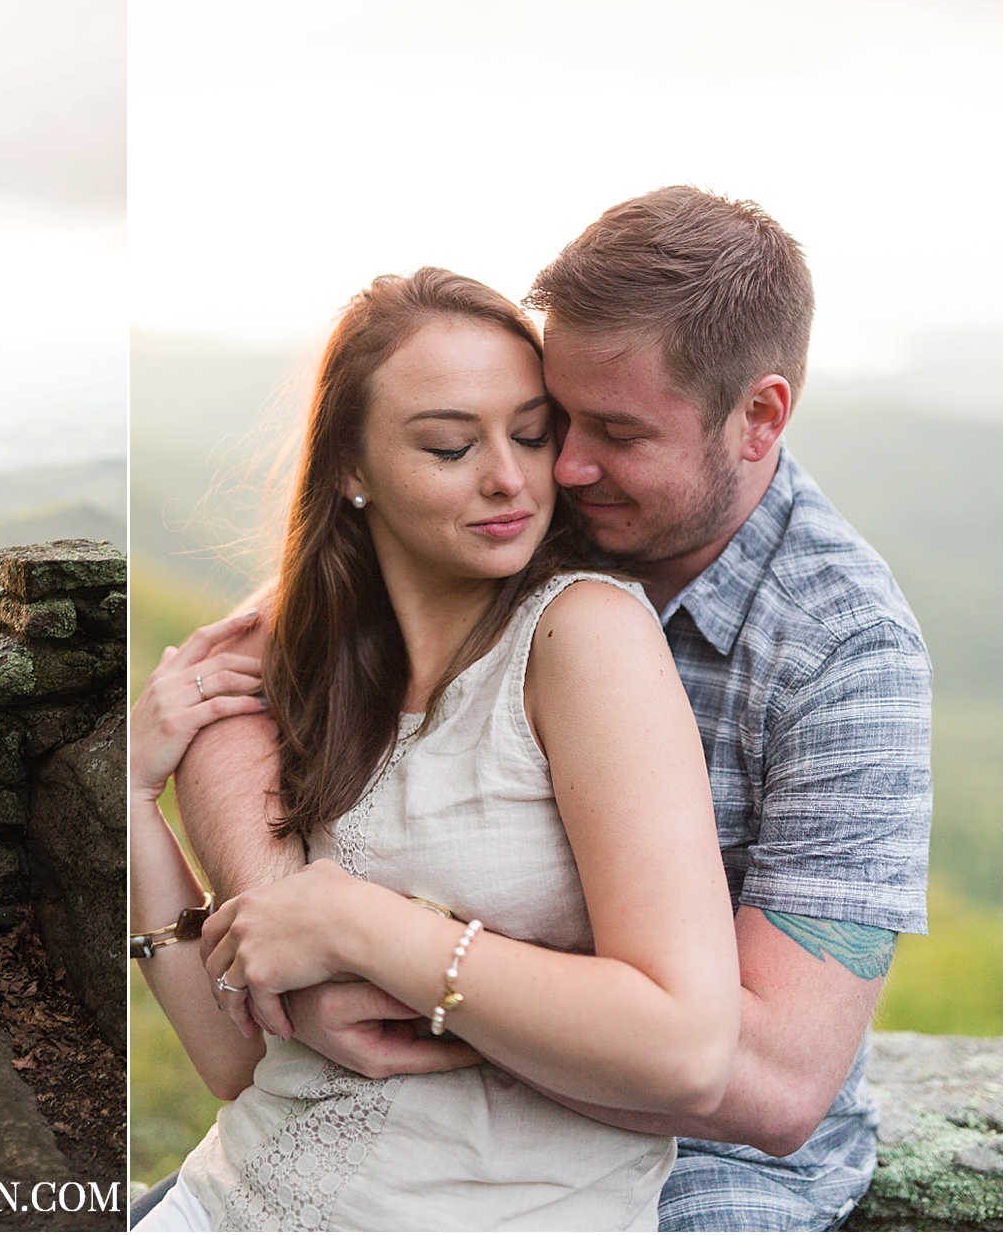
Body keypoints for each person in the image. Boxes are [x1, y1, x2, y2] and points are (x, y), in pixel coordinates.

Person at [159, 189, 932, 1231]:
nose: (559, 467)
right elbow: (237, 690)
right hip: (395, 1112)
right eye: (556, 418)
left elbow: (773, 1086)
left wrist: (384, 956)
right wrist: (288, 932)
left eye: (611, 432)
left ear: (758, 417)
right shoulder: (529, 498)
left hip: (715, 1152)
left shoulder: (842, 648)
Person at [131, 266, 742, 1230]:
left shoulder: (581, 635)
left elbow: (688, 1045)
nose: (508, 476)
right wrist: (133, 798)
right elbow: (236, 1060)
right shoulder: (319, 666)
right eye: (450, 446)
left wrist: (364, 930)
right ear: (351, 470)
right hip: (220, 1204)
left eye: (531, 435)